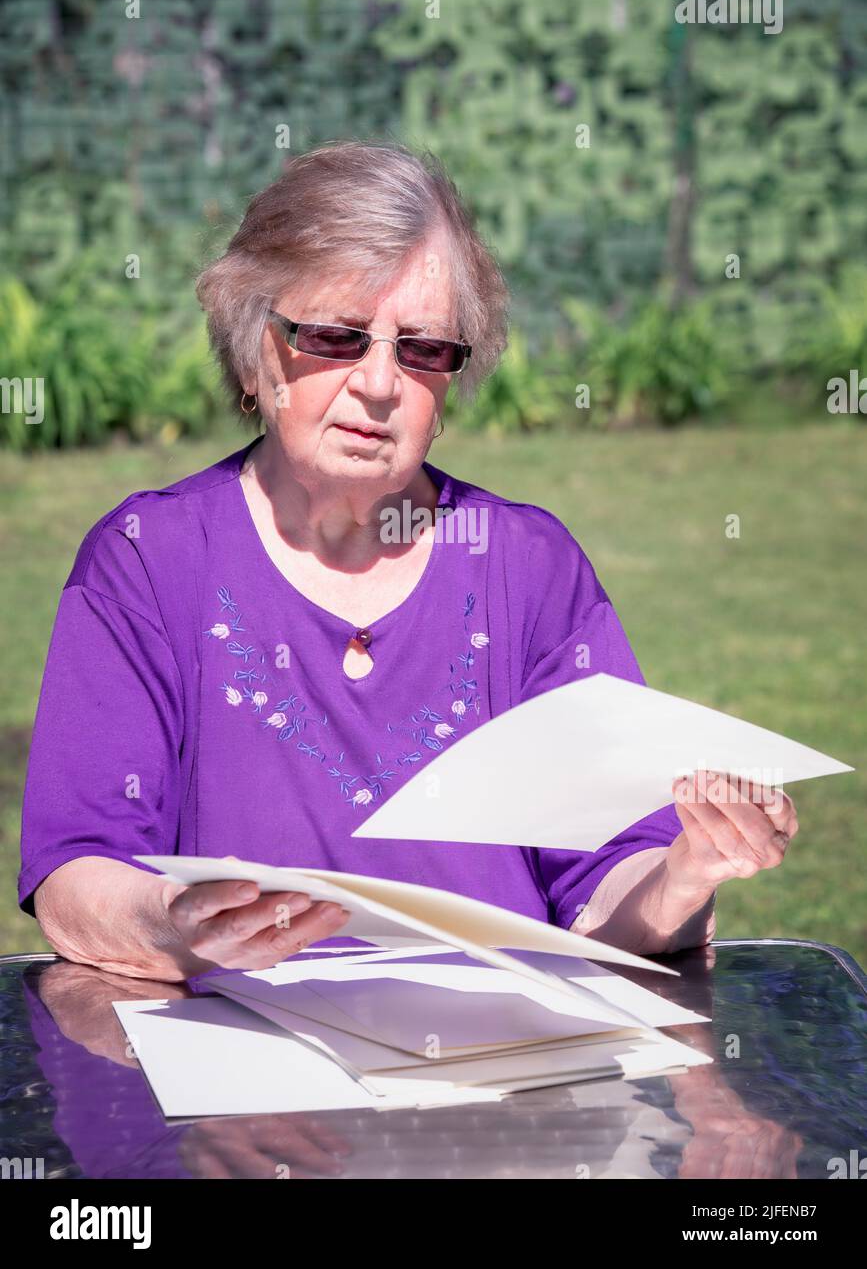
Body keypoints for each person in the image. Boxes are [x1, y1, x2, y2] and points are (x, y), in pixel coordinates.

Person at [18, 140, 797, 981]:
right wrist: (175, 925)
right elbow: (76, 872)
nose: (381, 383)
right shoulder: (149, 560)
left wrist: (689, 870)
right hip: (246, 1089)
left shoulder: (528, 568)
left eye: (422, 348)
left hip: (501, 1079)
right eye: (335, 336)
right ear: (253, 352)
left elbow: (605, 896)